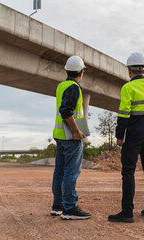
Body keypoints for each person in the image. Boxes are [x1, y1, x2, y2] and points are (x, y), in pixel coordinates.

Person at [108, 53, 144, 223]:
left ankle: (127, 212)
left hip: (133, 136)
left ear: (129, 70)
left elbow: (124, 114)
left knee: (128, 172)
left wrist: (119, 136)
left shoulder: (127, 88)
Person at [50, 55, 92, 220]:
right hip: (70, 137)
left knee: (60, 171)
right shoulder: (74, 87)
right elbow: (66, 111)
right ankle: (70, 207)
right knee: (71, 172)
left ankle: (57, 205)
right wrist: (76, 131)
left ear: (66, 71)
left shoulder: (61, 86)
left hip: (60, 136)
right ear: (81, 73)